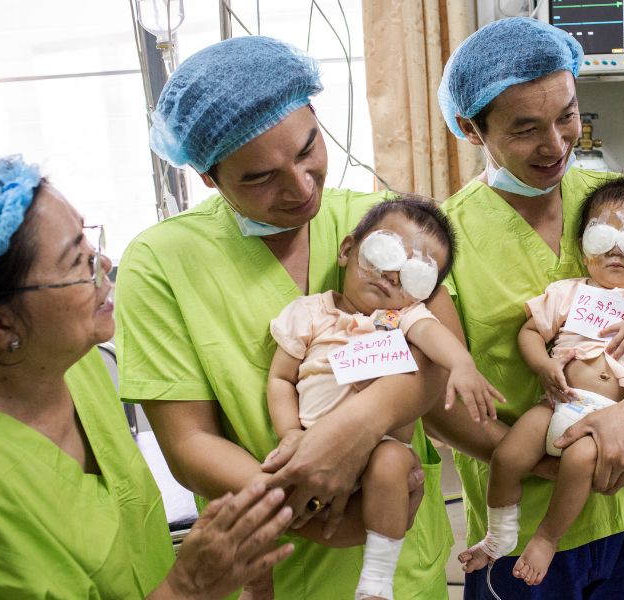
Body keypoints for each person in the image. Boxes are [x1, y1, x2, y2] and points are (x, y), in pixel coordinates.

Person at [115, 36, 454, 598]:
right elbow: (189, 443)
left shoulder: (376, 219)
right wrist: (310, 500)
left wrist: (356, 427)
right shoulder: (161, 262)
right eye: (257, 177)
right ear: (208, 177)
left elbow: (442, 356)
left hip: (402, 561)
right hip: (281, 555)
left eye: (307, 150)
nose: (300, 187)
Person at [0, 154, 296, 598]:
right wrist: (187, 588)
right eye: (76, 263)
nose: (103, 263)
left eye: (88, 242)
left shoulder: (70, 362)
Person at [429, 16, 624, 599]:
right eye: (525, 129)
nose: (555, 145)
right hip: (522, 516)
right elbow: (435, 398)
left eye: (567, 115)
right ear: (471, 129)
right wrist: (544, 463)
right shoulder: (444, 240)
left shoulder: (623, 202)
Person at [459, 175, 624, 586]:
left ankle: (547, 537)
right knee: (508, 456)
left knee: (578, 462)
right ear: (583, 248)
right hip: (557, 403)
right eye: (602, 238)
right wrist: (541, 365)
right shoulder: (568, 291)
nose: (615, 252)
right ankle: (497, 536)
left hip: (605, 419)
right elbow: (530, 331)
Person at [268, 197, 502, 599]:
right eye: (384, 253)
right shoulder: (309, 313)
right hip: (312, 446)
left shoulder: (400, 318)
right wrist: (289, 432)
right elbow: (280, 379)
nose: (392, 275)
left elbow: (434, 336)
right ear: (346, 250)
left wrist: (463, 364)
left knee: (394, 461)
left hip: (380, 452)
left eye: (414, 275)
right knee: (276, 499)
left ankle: (376, 582)